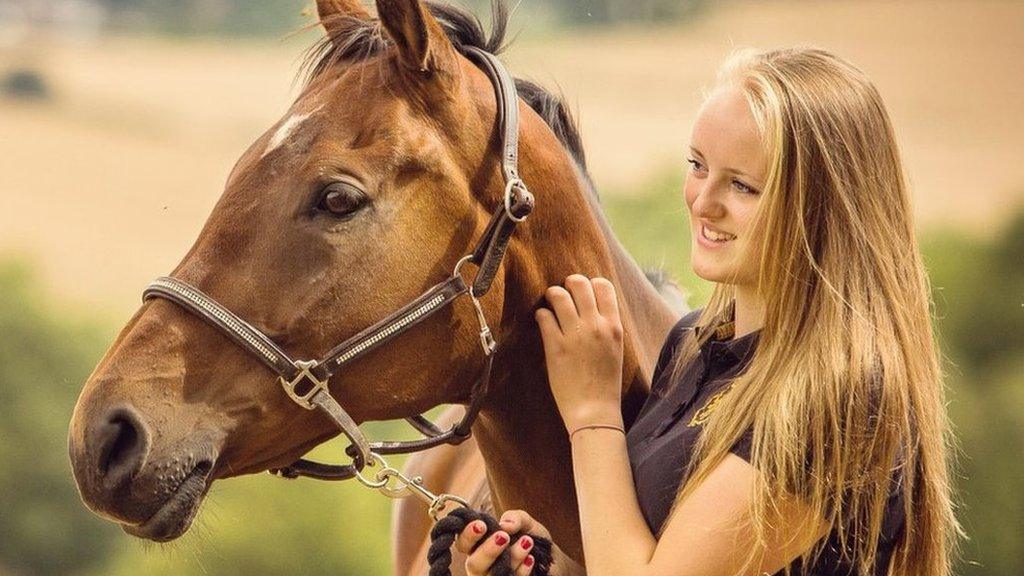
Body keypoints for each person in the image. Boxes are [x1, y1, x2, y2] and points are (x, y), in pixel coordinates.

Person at [452, 47, 960, 576]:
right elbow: (626, 547)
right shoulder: (693, 345)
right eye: (698, 166)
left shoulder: (841, 401)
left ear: (823, 210)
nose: (702, 201)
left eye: (742, 185)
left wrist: (592, 414)